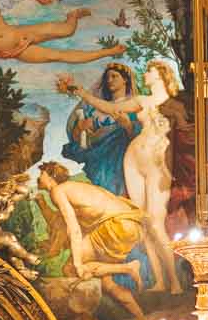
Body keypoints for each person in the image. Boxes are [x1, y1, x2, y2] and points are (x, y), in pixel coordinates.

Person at [59, 57, 184, 293]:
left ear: (159, 74)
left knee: (156, 222)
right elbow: (109, 108)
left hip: (157, 163)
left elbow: (185, 134)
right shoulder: (141, 101)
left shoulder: (175, 104)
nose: (144, 76)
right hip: (133, 158)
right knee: (142, 222)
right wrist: (81, 92)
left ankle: (175, 282)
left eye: (149, 71)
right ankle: (158, 282)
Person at [37, 162, 163, 320]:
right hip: (130, 225)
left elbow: (73, 229)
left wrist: (78, 263)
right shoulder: (75, 188)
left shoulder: (58, 190)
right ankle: (140, 318)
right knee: (108, 284)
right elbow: (60, 222)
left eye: (41, 173)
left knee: (71, 268)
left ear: (50, 176)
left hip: (116, 225)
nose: (38, 177)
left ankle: (128, 267)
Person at [61, 61, 140, 196]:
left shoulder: (133, 104)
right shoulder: (95, 109)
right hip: (98, 161)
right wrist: (80, 128)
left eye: (114, 76)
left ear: (125, 79)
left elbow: (138, 135)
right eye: (107, 77)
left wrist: (127, 126)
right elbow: (79, 140)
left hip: (120, 161)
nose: (109, 80)